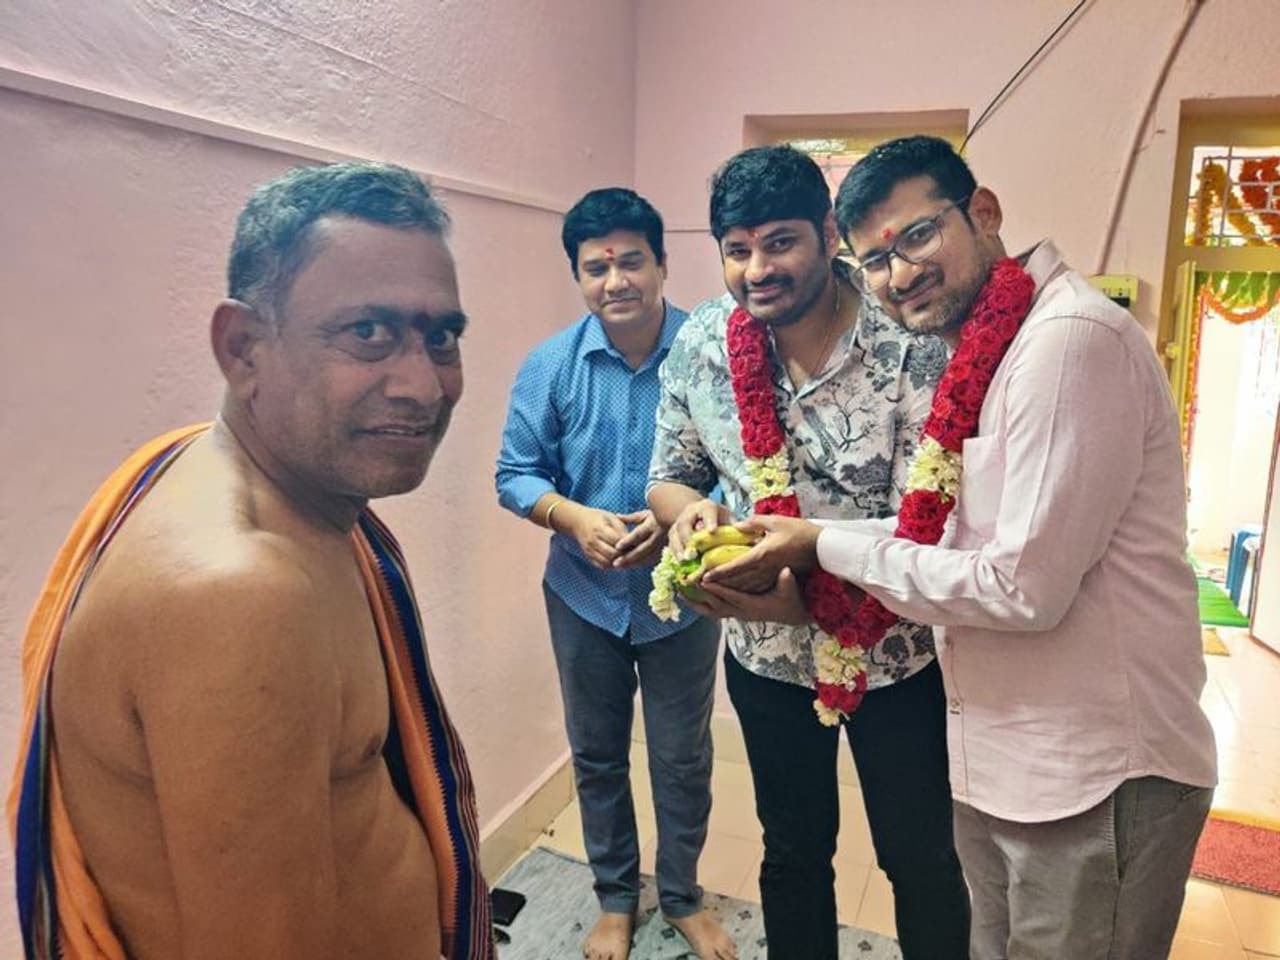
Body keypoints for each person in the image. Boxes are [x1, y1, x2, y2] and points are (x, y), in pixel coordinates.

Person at [725, 135, 1218, 960]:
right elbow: (951, 535)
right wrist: (807, 544)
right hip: (1005, 764)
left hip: (1097, 774)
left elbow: (1023, 588)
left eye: (918, 235)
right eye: (875, 259)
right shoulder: (991, 347)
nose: (900, 273)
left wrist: (822, 543)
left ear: (983, 213)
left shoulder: (1069, 343)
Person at [7, 163, 493, 960]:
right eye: (368, 333)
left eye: (440, 337)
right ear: (243, 349)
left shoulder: (267, 493)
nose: (423, 385)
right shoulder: (237, 596)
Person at [646, 145, 969, 960]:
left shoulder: (908, 341)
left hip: (895, 653)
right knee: (792, 851)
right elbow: (668, 476)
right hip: (766, 655)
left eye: (780, 242)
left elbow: (931, 524)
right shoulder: (704, 342)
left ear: (828, 234)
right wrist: (691, 517)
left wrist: (810, 591)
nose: (757, 270)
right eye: (737, 249)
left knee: (919, 856)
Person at [496, 188, 734, 960]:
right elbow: (515, 474)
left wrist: (684, 515)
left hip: (685, 597)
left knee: (681, 757)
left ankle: (684, 896)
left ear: (662, 264)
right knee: (596, 753)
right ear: (578, 276)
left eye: (631, 262)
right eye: (596, 268)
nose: (615, 281)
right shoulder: (550, 366)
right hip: (582, 597)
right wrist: (571, 517)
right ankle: (615, 899)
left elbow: (748, 467)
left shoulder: (713, 353)